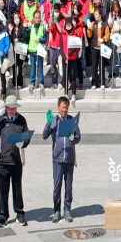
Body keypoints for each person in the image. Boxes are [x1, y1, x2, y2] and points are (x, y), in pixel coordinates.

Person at [0, 97, 30, 227]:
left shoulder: (21, 120)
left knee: (17, 189)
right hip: (2, 161)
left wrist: (23, 143)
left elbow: (26, 136)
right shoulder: (1, 119)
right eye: (10, 108)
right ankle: (3, 216)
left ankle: (20, 213)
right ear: (5, 108)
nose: (12, 110)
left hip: (16, 160)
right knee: (3, 190)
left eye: (14, 108)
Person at [42, 95, 82, 223]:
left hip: (69, 158)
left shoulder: (71, 121)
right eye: (63, 107)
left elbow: (78, 137)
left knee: (68, 187)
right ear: (58, 107)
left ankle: (67, 210)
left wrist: (73, 139)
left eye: (67, 108)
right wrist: (48, 124)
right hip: (57, 159)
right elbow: (44, 136)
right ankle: (57, 211)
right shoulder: (54, 121)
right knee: (57, 187)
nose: (65, 110)